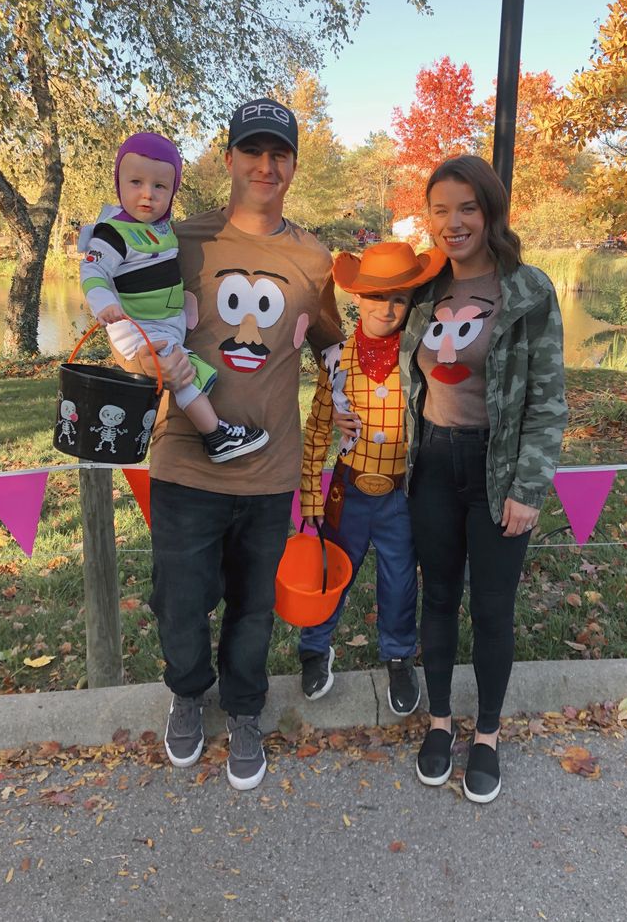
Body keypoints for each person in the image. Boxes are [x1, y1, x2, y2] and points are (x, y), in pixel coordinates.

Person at [126, 99, 343, 789]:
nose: (265, 165)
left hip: (270, 471)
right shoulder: (178, 239)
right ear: (228, 161)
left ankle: (245, 708)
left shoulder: (313, 257)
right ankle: (189, 693)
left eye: (278, 154)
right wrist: (141, 357)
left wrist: (346, 392)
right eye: (251, 151)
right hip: (186, 462)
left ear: (293, 166)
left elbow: (329, 340)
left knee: (253, 609)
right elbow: (131, 316)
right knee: (180, 602)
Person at [401, 155, 567, 802]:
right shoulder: (423, 288)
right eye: (440, 209)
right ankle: (440, 722)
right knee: (438, 597)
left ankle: (488, 734)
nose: (453, 221)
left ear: (490, 210)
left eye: (466, 207)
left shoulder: (527, 291)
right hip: (434, 465)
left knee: (493, 608)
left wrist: (529, 485)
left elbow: (549, 399)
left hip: (498, 470)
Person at [298, 242, 443, 714]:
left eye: (400, 298)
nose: (388, 308)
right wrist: (309, 494)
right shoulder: (336, 358)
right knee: (331, 569)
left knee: (400, 578)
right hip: (349, 488)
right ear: (357, 298)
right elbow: (318, 426)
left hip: (401, 490)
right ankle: (315, 648)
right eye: (377, 297)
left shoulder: (419, 359)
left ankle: (399, 656)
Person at [80, 132, 267, 463]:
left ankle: (215, 431)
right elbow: (93, 272)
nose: (147, 195)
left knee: (185, 367)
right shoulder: (113, 233)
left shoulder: (164, 228)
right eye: (135, 182)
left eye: (160, 187)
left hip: (166, 324)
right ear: (118, 182)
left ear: (173, 190)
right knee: (181, 373)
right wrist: (104, 304)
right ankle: (216, 435)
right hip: (137, 327)